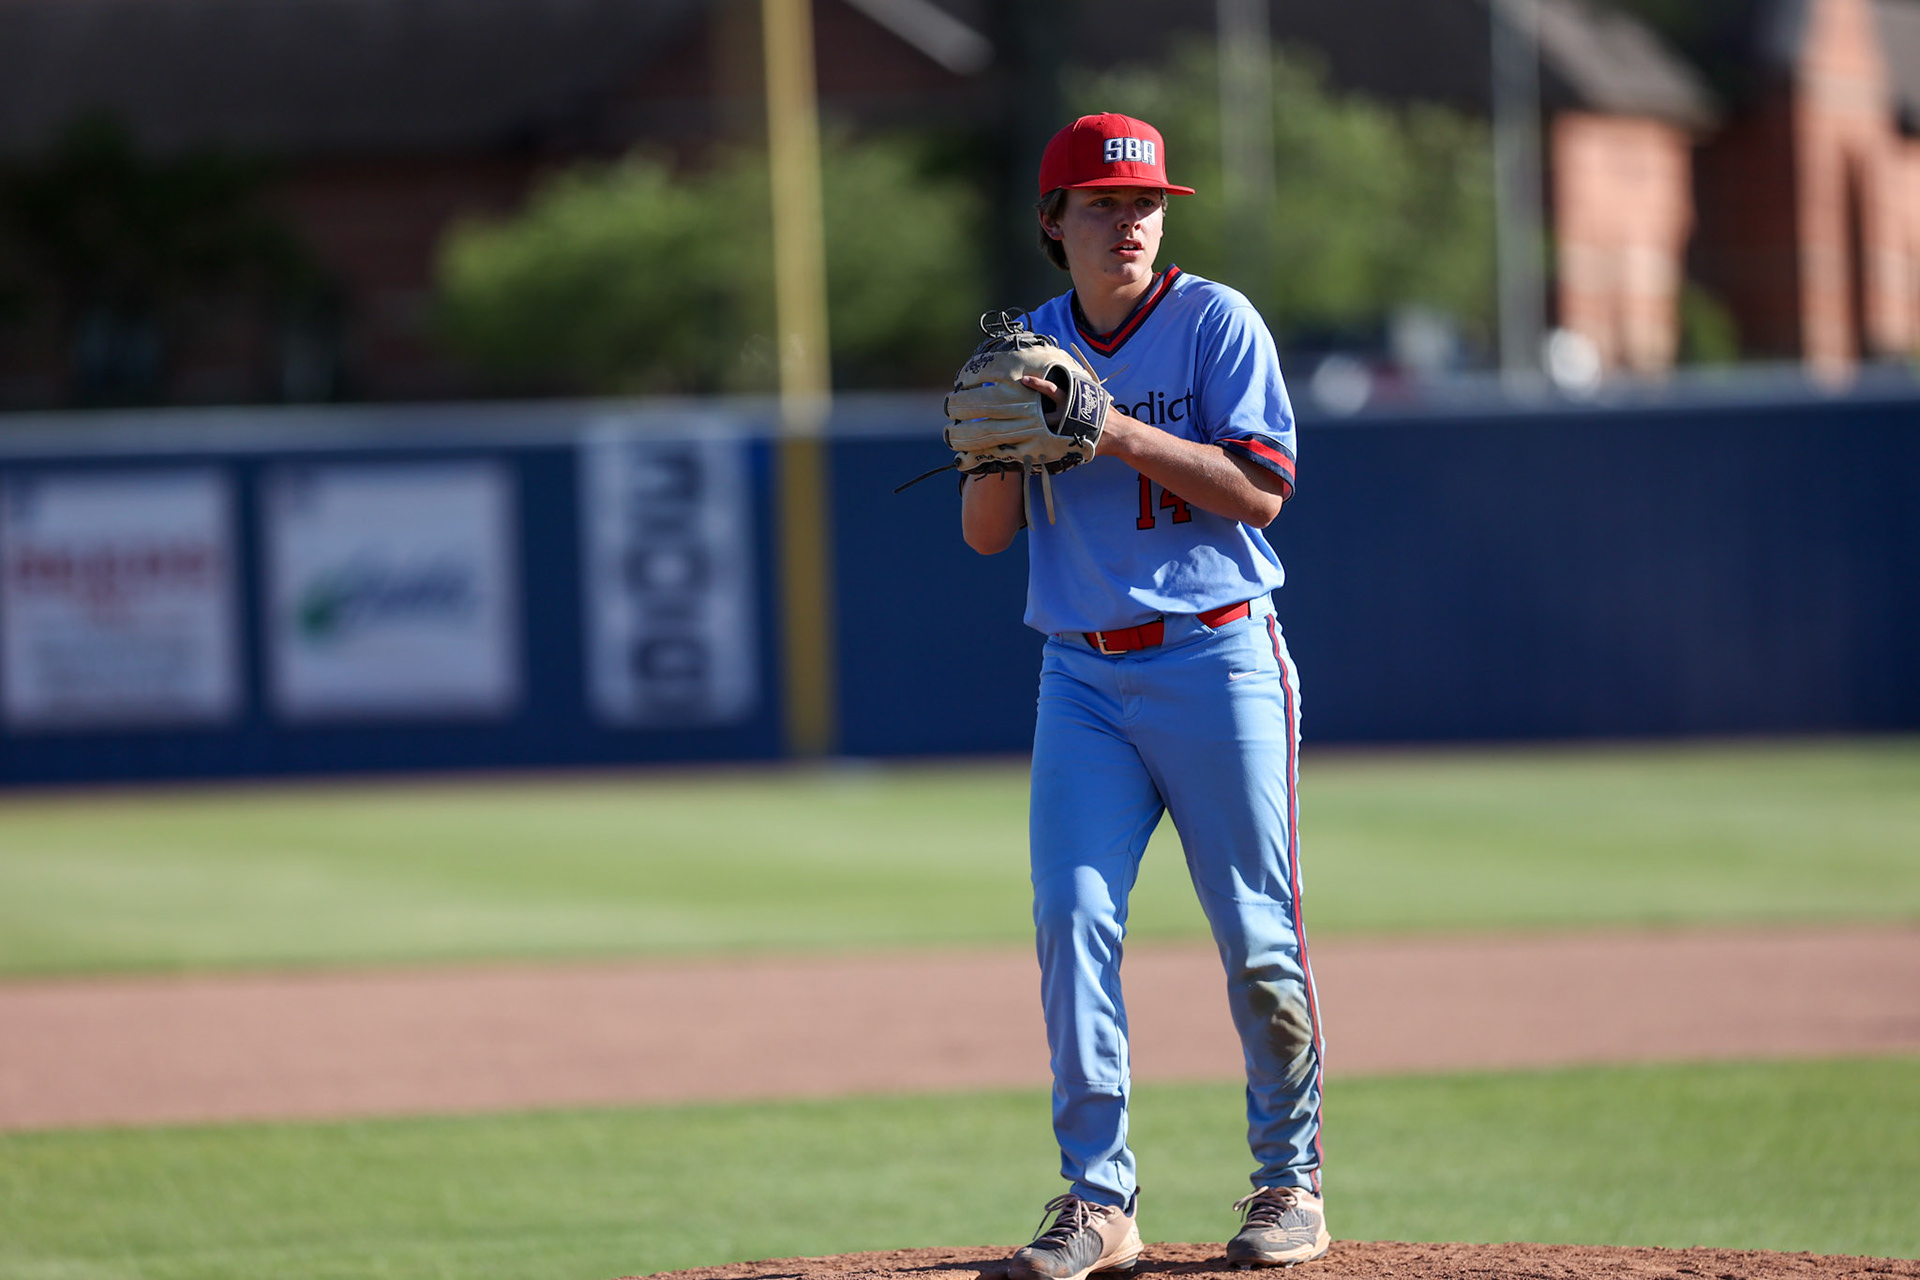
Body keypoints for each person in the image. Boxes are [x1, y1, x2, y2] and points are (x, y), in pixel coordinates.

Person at [960, 113, 1327, 1277]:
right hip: (1081, 675)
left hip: (1217, 658)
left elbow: (1262, 491)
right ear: (1053, 222)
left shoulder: (1216, 322)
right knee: (1072, 918)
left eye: (1145, 203)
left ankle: (1291, 1182)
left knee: (1257, 934)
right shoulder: (1029, 350)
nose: (1129, 222)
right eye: (1103, 204)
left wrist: (1104, 426)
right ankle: (1099, 1197)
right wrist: (995, 439)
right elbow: (983, 540)